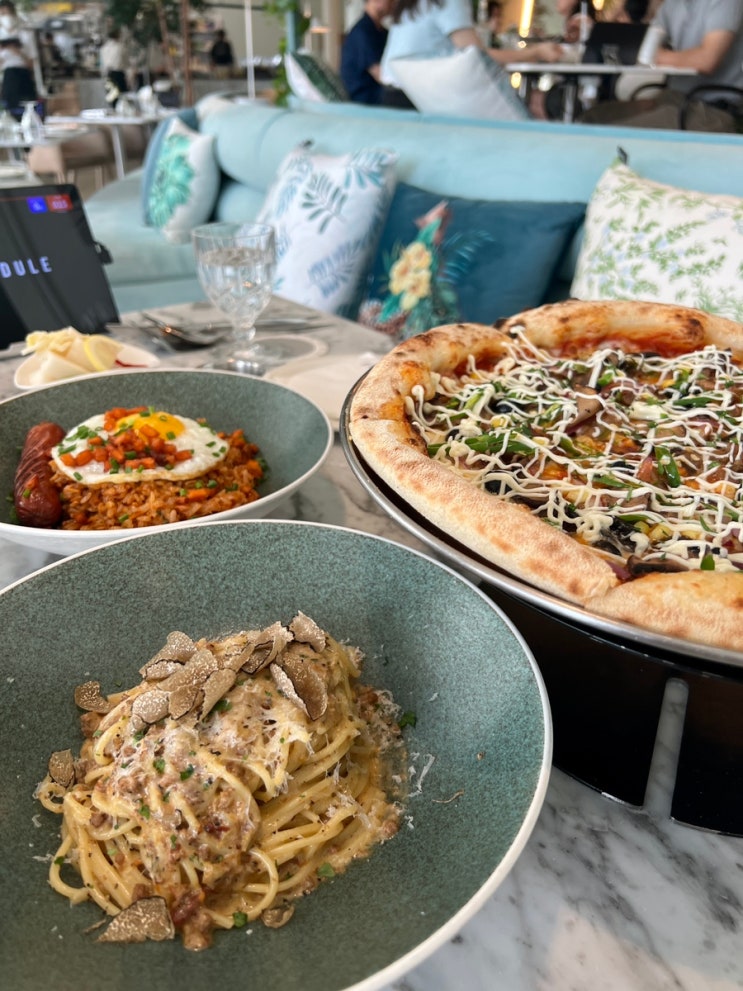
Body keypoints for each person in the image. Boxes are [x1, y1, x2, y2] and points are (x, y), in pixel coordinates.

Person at [581, 0, 743, 131]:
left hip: (713, 109)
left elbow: (707, 60)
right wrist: (593, 34)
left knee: (609, 132)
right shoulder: (672, 4)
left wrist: (654, 55)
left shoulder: (726, 2)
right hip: (673, 98)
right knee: (591, 118)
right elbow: (644, 43)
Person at [380, 0, 563, 107]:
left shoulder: (411, 4)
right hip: (418, 97)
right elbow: (476, 56)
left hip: (393, 92)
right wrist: (536, 52)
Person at [341, 0, 393, 104]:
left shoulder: (381, 32)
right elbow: (381, 75)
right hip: (365, 100)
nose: (393, 2)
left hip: (378, 95)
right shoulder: (362, 32)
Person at [99, 29, 128, 96]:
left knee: (112, 96)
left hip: (109, 74)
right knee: (122, 95)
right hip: (119, 73)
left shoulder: (103, 48)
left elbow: (102, 65)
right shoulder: (120, 47)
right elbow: (126, 62)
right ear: (118, 36)